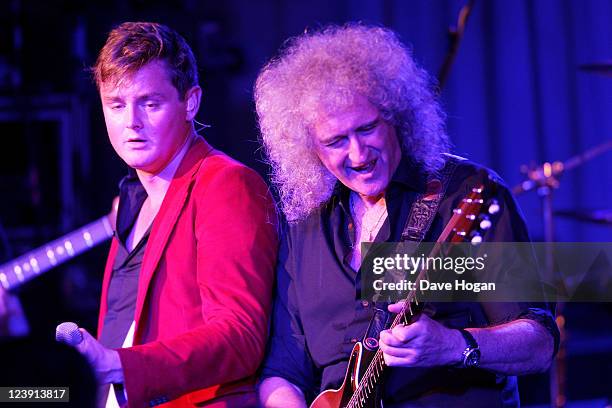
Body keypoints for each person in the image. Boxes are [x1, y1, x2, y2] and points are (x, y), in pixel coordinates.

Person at [255, 24, 559, 407]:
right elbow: (282, 372)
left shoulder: (464, 195)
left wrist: (452, 345)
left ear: (395, 115)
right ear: (308, 147)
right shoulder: (305, 229)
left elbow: (539, 343)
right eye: (335, 141)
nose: (358, 155)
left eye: (367, 129)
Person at [68, 22, 278, 407]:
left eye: (150, 103)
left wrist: (119, 366)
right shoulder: (132, 201)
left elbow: (240, 335)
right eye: (116, 104)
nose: (131, 121)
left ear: (190, 101)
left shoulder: (225, 185)